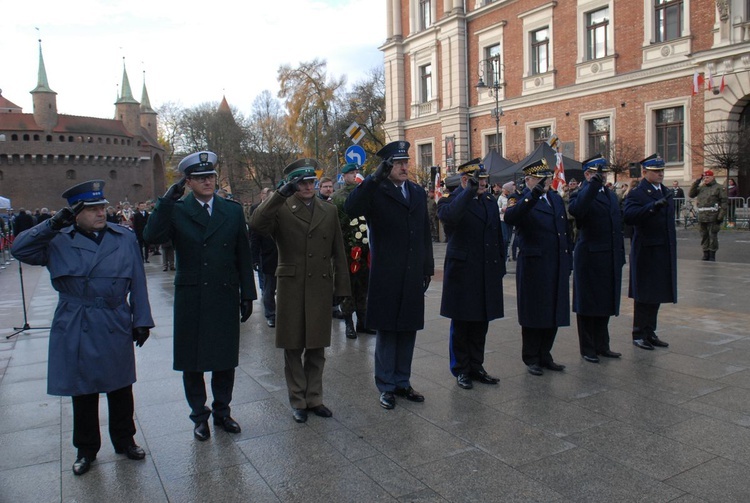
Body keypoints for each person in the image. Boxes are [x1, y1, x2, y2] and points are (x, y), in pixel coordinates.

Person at [11, 180, 154, 476]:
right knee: (83, 388)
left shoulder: (123, 237)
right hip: (76, 318)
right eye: (91, 209)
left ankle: (125, 440)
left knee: (120, 385)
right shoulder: (57, 238)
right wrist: (51, 224)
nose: (101, 213)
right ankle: (86, 449)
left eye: (102, 206)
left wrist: (141, 320)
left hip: (114, 316)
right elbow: (20, 250)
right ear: (75, 213)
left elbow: (138, 280)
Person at [143, 151, 256, 441]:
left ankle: (223, 411)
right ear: (188, 182)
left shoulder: (230, 210)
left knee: (224, 359)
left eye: (211, 176)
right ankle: (199, 416)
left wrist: (248, 294)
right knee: (192, 362)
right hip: (192, 296)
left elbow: (242, 253)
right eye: (200, 178)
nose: (208, 181)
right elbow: (152, 236)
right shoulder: (178, 210)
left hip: (224, 292)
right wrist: (166, 201)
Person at [250, 158, 350, 423]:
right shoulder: (282, 208)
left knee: (317, 346)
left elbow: (338, 250)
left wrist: (341, 286)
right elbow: (257, 224)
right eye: (302, 182)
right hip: (292, 286)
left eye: (311, 181)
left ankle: (314, 397)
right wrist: (279, 194)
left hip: (319, 284)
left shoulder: (327, 211)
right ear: (293, 184)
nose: (308, 186)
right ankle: (297, 399)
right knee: (293, 346)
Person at [344, 140, 434, 409]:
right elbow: (351, 208)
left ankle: (403, 381)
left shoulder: (416, 192)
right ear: (387, 166)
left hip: (412, 270)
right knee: (387, 330)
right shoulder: (375, 191)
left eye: (406, 162)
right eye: (398, 163)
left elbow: (424, 233)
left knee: (408, 328)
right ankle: (386, 385)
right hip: (386, 271)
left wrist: (427, 267)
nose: (404, 167)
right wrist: (373, 178)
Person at [438, 159, 505, 389]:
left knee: (481, 321)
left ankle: (477, 365)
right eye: (479, 179)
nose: (484, 184)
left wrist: (500, 266)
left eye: (485, 179)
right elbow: (449, 217)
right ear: (466, 180)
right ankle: (461, 369)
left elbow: (497, 234)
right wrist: (468, 192)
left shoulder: (488, 201)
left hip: (486, 269)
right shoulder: (451, 199)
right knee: (462, 323)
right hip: (463, 271)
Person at [504, 158, 571, 376]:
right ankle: (531, 356)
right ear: (529, 180)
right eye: (542, 179)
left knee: (553, 310)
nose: (547, 182)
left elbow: (564, 230)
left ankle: (545, 354)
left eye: (548, 178)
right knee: (535, 312)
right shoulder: (519, 198)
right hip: (534, 264)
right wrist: (532, 196)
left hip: (556, 262)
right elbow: (511, 218)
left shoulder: (554, 199)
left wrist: (567, 258)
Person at [568, 155, 625, 363]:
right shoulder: (579, 193)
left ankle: (603, 344)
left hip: (608, 255)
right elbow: (578, 210)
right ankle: (588, 347)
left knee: (604, 301)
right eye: (597, 173)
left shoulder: (609, 194)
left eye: (603, 173)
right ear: (587, 174)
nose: (602, 177)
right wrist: (591, 186)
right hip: (590, 256)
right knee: (588, 303)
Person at [623, 154, 677, 350]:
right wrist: (652, 207)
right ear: (645, 172)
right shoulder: (638, 193)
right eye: (656, 171)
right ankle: (638, 333)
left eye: (662, 170)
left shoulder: (666, 191)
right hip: (646, 251)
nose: (660, 174)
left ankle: (650, 332)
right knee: (644, 294)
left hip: (662, 249)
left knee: (657, 293)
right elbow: (629, 216)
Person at [331, 163, 374, 338]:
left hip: (364, 248)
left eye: (357, 172)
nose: (355, 175)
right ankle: (349, 324)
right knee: (347, 287)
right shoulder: (337, 197)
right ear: (344, 176)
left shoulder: (365, 194)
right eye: (351, 173)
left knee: (364, 286)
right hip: (347, 249)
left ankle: (363, 323)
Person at [688, 169, 728, 261]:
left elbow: (724, 203)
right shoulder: (701, 187)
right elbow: (691, 194)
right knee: (704, 236)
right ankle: (705, 253)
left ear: (712, 177)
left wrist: (720, 216)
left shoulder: (719, 188)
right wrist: (697, 181)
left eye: (708, 177)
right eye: (704, 178)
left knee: (712, 236)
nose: (706, 179)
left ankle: (712, 254)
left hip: (713, 216)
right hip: (702, 216)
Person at [497, 181, 514, 258]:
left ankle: (508, 253)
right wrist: (502, 210)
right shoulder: (500, 198)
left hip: (510, 219)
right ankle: (504, 253)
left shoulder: (512, 197)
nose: (503, 190)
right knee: (505, 238)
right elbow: (497, 208)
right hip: (503, 219)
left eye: (504, 189)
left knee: (510, 238)